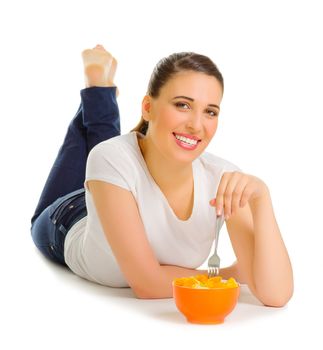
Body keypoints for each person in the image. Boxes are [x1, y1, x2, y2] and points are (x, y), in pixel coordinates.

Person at [30, 44, 293, 306]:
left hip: (117, 183)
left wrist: (262, 198)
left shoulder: (224, 177)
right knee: (104, 151)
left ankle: (100, 92)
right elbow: (147, 284)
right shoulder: (110, 158)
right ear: (147, 107)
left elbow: (276, 295)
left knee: (114, 153)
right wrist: (224, 276)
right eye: (182, 105)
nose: (196, 125)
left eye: (210, 111)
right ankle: (97, 88)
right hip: (68, 219)